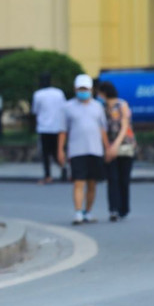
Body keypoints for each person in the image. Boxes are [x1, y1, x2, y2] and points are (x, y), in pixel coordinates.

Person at [57, 74, 109, 225]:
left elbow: (102, 129)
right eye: (80, 89)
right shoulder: (67, 107)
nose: (83, 91)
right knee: (78, 182)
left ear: (91, 90)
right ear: (75, 89)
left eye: (85, 89)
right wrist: (60, 150)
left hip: (95, 150)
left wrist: (107, 148)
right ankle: (78, 212)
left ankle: (88, 212)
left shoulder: (98, 107)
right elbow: (63, 130)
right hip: (77, 150)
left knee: (92, 183)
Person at [96, 81, 135, 222]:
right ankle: (113, 209)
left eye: (99, 93)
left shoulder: (122, 105)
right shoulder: (101, 108)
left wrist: (115, 146)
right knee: (112, 179)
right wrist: (107, 147)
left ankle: (123, 209)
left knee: (124, 179)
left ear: (104, 93)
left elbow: (124, 127)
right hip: (108, 148)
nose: (98, 96)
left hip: (124, 146)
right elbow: (101, 129)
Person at [32, 72, 67, 183]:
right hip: (58, 127)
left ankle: (48, 175)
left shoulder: (38, 94)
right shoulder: (59, 93)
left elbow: (35, 111)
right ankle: (63, 169)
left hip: (44, 128)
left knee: (46, 154)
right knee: (57, 151)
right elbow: (64, 108)